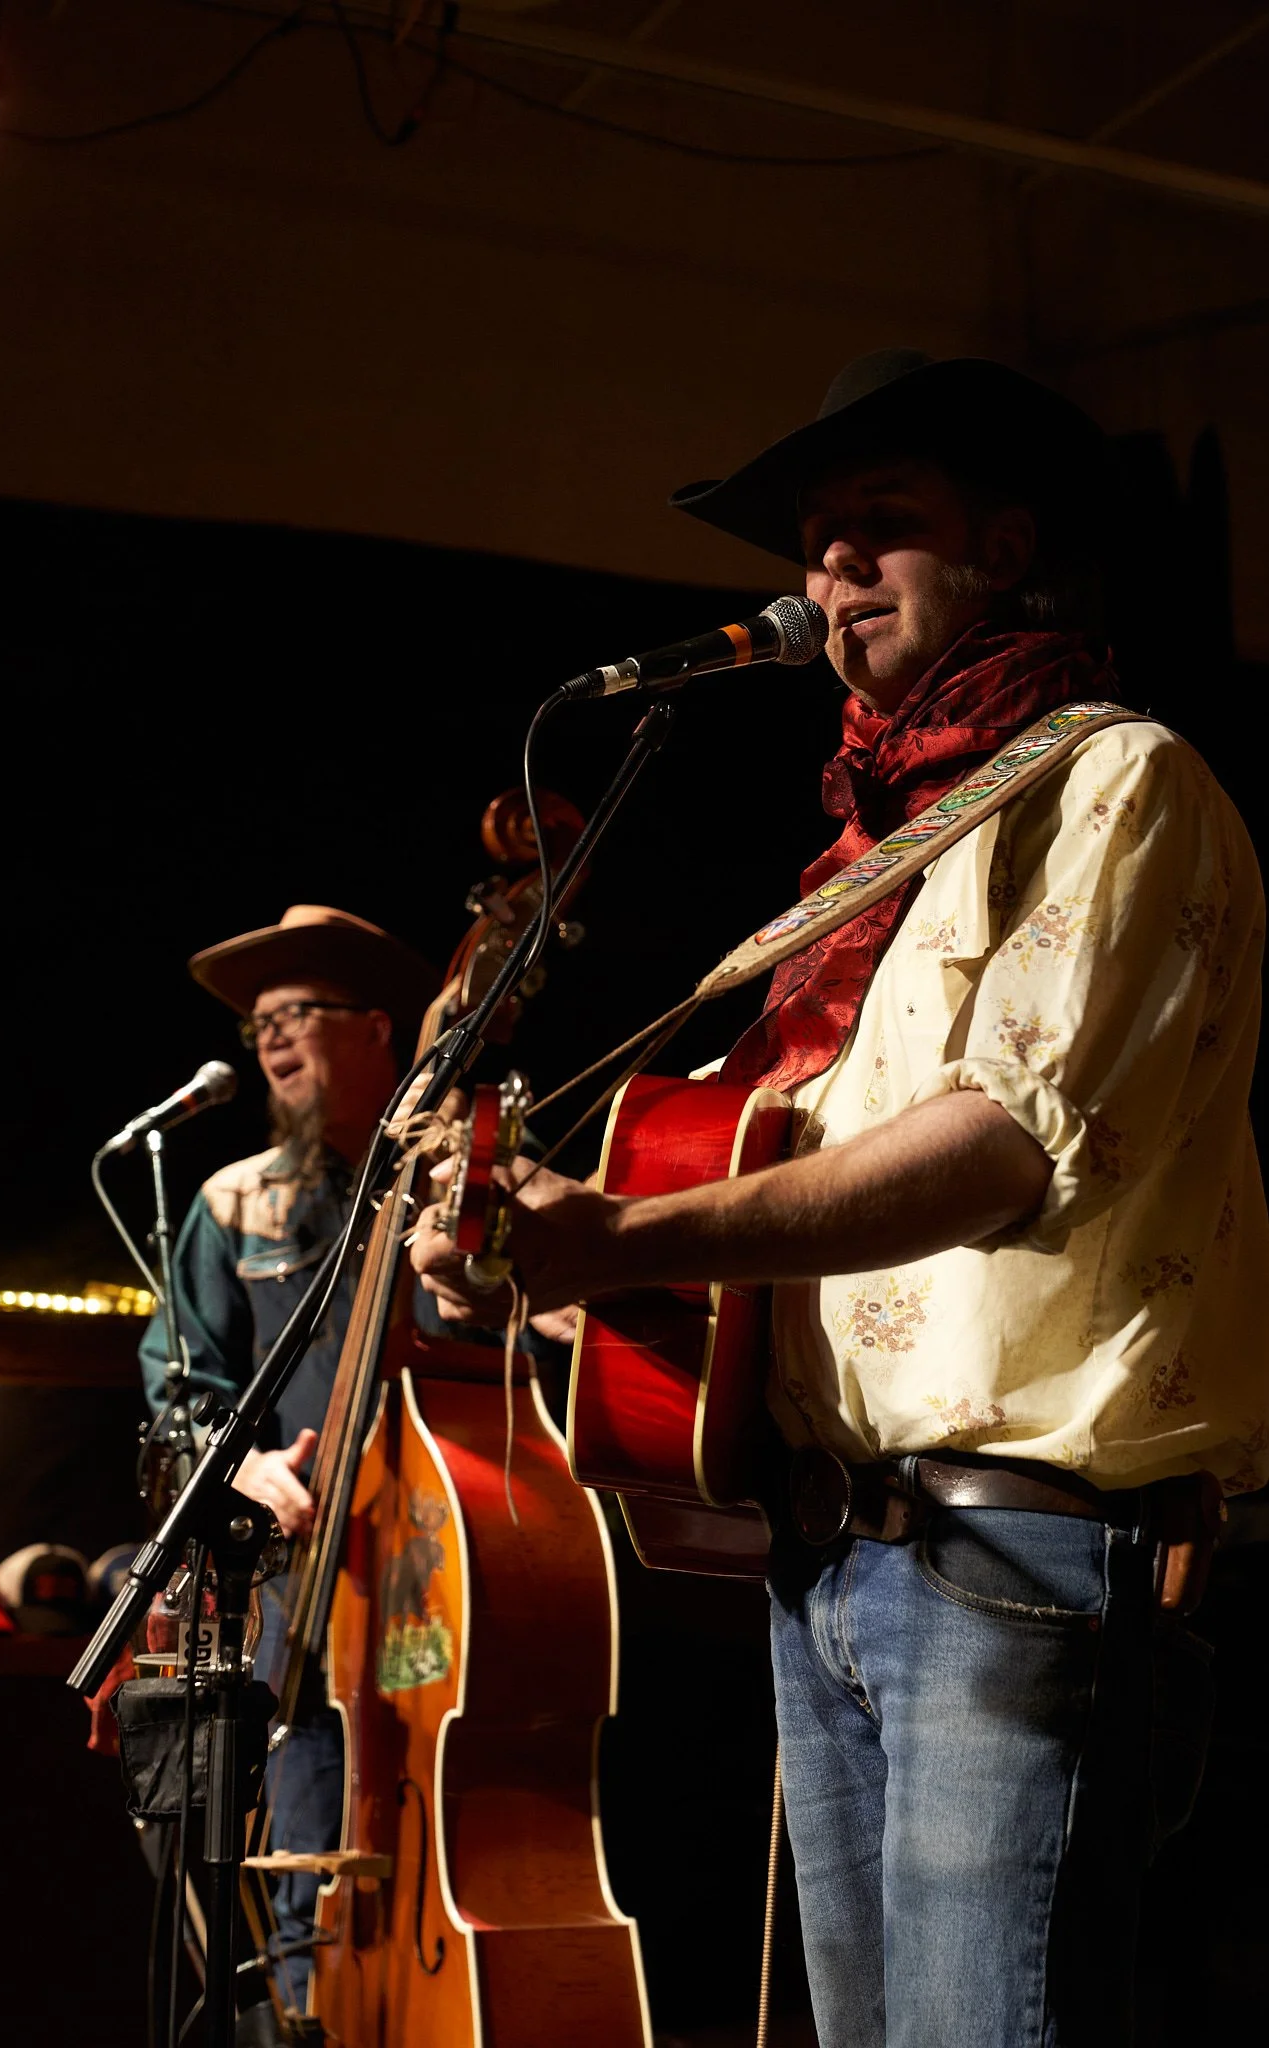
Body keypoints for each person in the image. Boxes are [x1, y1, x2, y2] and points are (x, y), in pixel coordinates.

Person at [410, 349, 1269, 2046]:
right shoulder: (877, 866)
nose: (828, 575)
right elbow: (764, 1173)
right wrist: (552, 1237)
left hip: (1018, 1538)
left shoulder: (1116, 785)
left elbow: (992, 1150)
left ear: (1008, 547)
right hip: (829, 1549)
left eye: (884, 527)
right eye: (814, 541)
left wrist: (625, 1235)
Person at [140, 902, 438, 2020]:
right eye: (260, 1019)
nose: (269, 1036)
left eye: (296, 1011)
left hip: (439, 1562)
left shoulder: (458, 1174)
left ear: (376, 1027)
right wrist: (243, 1466)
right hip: (304, 1587)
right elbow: (180, 1383)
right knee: (308, 1869)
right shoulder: (234, 1199)